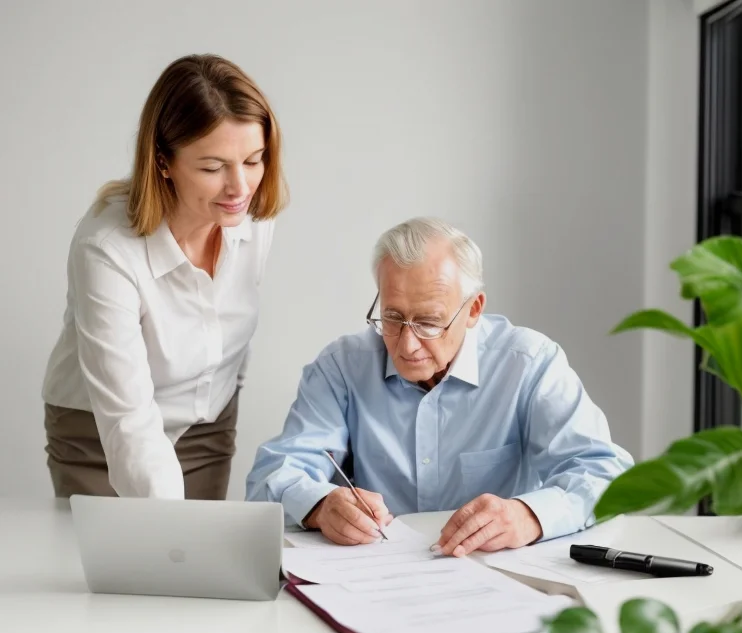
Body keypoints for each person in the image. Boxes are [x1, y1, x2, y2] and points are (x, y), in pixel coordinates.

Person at [246, 217, 633, 556]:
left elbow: (607, 474)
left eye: (429, 322)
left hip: (498, 576)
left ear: (474, 310)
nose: (407, 344)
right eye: (393, 318)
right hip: (376, 578)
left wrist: (528, 515)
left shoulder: (529, 364)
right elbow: (271, 475)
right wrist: (320, 504)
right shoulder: (342, 367)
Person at [42, 54, 288, 500]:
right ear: (163, 162)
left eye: (254, 160)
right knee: (124, 565)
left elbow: (229, 331)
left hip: (205, 425)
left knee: (197, 564)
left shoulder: (249, 214)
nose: (240, 187)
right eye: (212, 168)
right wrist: (170, 526)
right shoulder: (107, 247)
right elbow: (128, 421)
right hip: (100, 431)